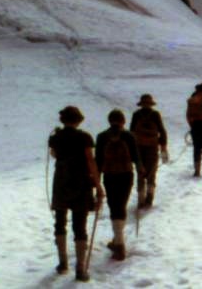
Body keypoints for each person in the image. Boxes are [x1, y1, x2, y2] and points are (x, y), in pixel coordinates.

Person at [48, 105, 105, 282]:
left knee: (60, 221)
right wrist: (98, 184)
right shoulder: (84, 138)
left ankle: (62, 263)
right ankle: (80, 268)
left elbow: (54, 155)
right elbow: (90, 161)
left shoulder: (55, 137)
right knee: (79, 225)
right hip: (81, 183)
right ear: (78, 120)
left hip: (61, 183)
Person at [95, 109, 142, 261]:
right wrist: (142, 171)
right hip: (126, 174)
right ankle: (119, 243)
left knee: (114, 206)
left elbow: (98, 161)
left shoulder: (102, 137)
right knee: (121, 205)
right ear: (123, 121)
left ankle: (118, 242)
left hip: (109, 175)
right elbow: (136, 157)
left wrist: (96, 181)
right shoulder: (129, 136)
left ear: (109, 121)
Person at [129, 94, 168, 208]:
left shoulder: (136, 114)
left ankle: (141, 199)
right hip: (152, 147)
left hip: (139, 147)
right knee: (151, 174)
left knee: (140, 173)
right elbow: (162, 131)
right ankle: (149, 198)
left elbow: (131, 131)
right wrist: (163, 146)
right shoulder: (155, 114)